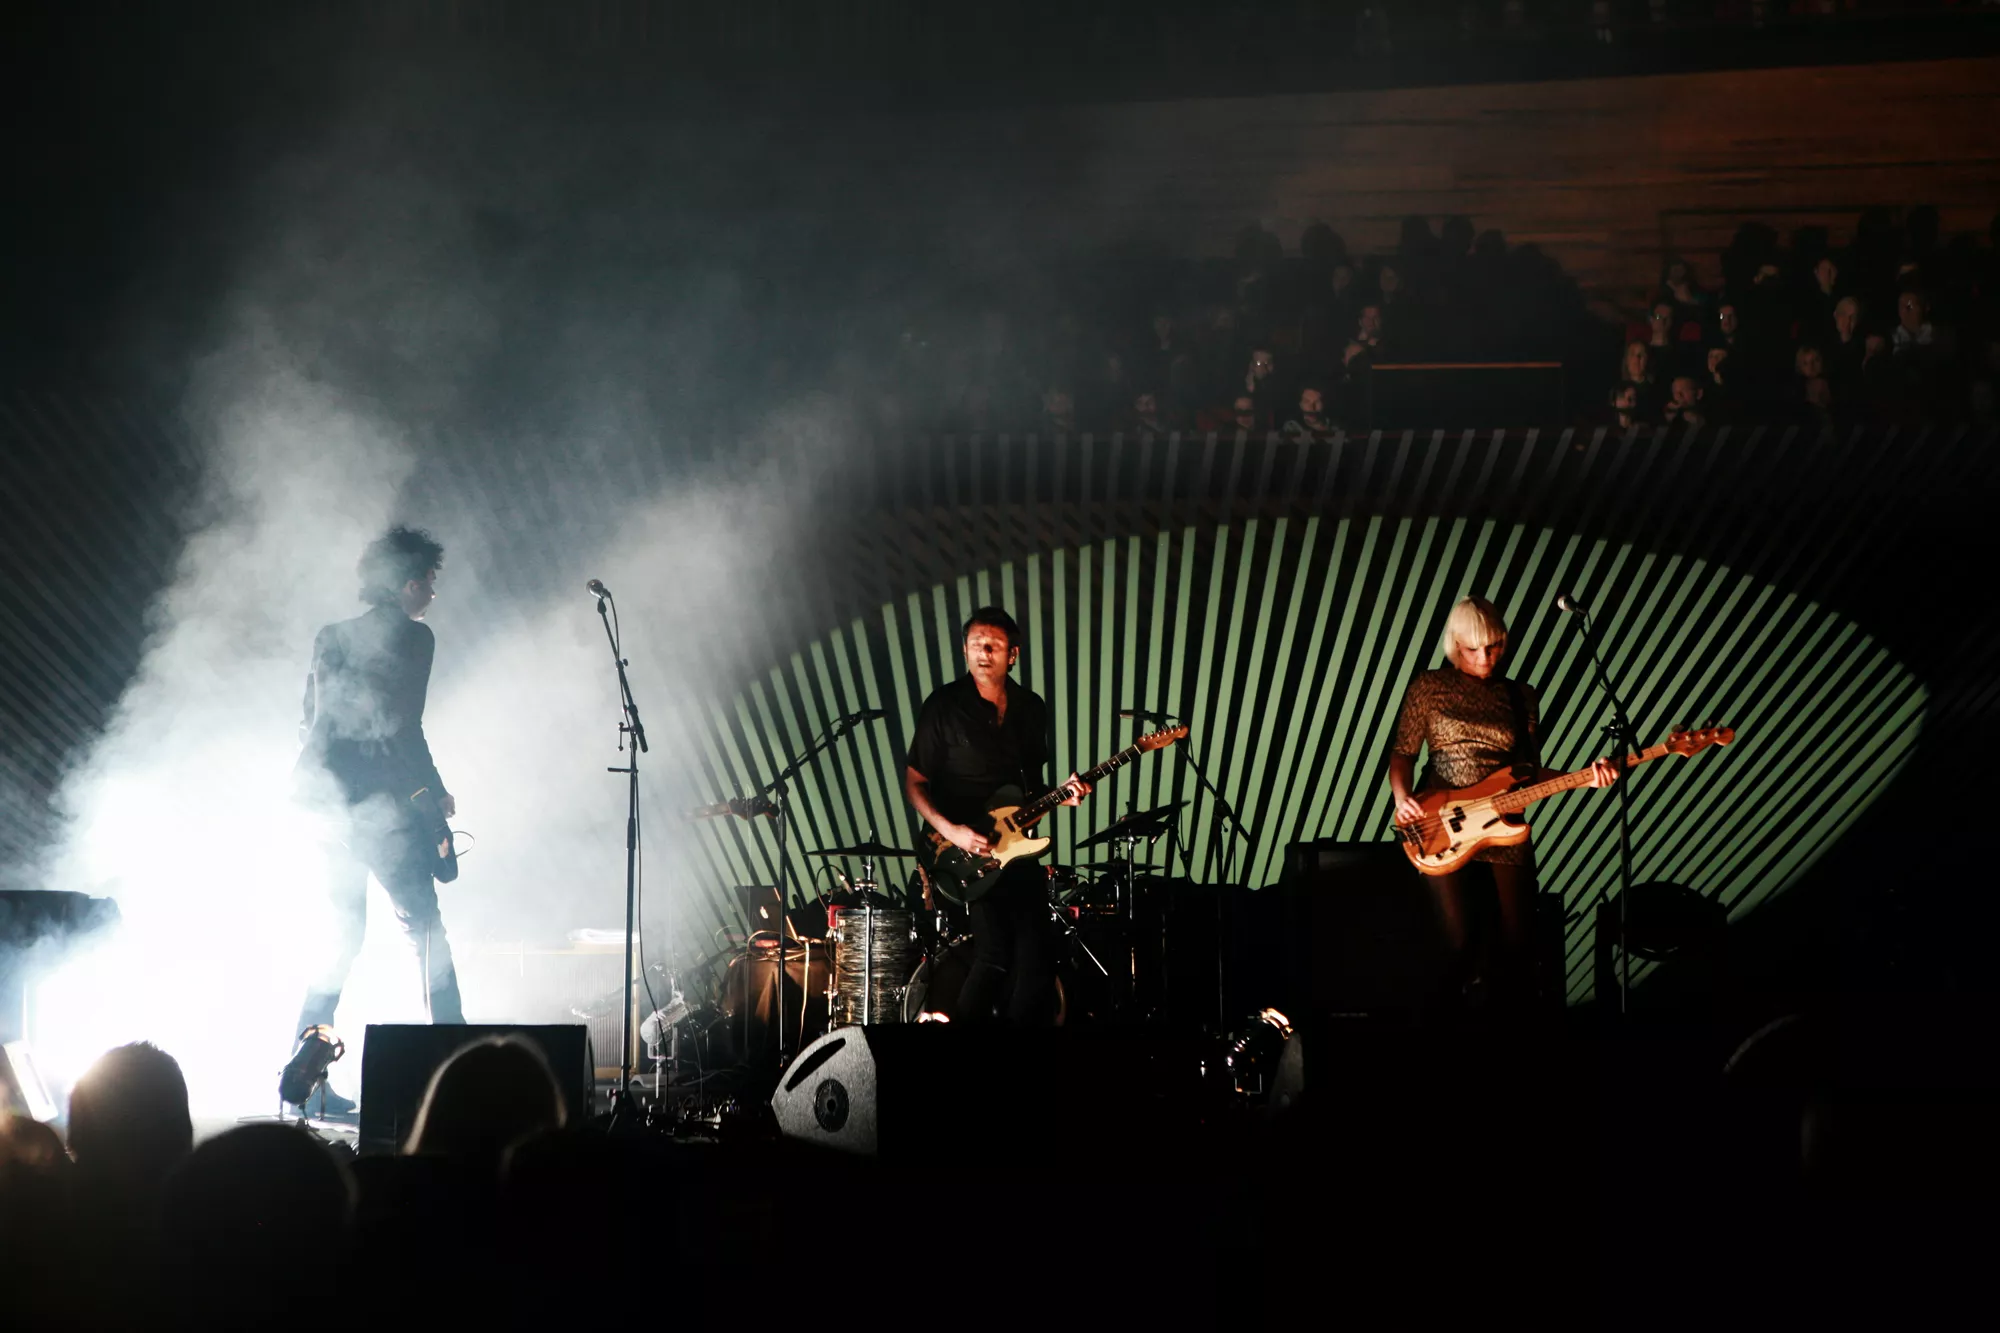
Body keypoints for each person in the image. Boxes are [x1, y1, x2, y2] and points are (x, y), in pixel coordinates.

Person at [289, 527, 464, 1112]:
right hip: (380, 811)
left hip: (325, 806)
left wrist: (314, 795)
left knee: (340, 939)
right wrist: (433, 792)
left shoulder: (330, 636)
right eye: (431, 583)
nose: (433, 594)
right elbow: (401, 726)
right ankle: (455, 1070)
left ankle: (306, 1082)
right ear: (410, 582)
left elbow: (311, 721)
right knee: (426, 932)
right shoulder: (416, 640)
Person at [1387, 596, 1618, 1016]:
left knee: (1518, 944)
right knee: (1457, 943)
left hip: (1503, 823)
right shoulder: (1430, 686)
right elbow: (1402, 753)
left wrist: (1588, 775)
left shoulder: (1521, 696)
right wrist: (1403, 799)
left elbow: (1529, 771)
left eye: (1493, 646)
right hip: (1443, 820)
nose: (1484, 657)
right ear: (1455, 645)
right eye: (1473, 648)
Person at [905, 607, 1090, 1026]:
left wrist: (1063, 795)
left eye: (994, 645)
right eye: (975, 645)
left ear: (1014, 654)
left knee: (1040, 959)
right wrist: (954, 832)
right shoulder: (944, 706)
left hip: (1016, 848)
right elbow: (914, 783)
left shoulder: (1030, 708)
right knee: (994, 954)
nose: (984, 653)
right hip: (962, 849)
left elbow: (1030, 788)